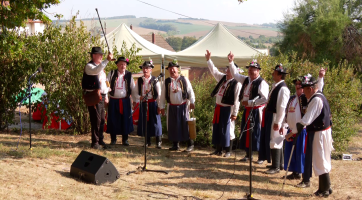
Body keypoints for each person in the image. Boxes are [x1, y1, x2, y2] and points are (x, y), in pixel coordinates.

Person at [283, 69, 325, 180]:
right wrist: (283, 123)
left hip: (301, 129)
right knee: (291, 153)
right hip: (291, 128)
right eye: (296, 84)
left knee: (301, 153)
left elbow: (319, 90)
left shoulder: (307, 99)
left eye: (300, 85)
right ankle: (294, 172)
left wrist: (320, 78)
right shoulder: (292, 98)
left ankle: (303, 175)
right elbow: (286, 112)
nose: (298, 86)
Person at [227, 53, 269, 163]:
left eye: (253, 69)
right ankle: (248, 154)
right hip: (248, 110)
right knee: (247, 132)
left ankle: (261, 157)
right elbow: (235, 74)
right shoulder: (246, 80)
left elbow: (265, 99)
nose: (250, 71)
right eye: (249, 69)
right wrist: (231, 62)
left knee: (257, 132)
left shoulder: (262, 83)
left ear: (258, 70)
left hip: (257, 110)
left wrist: (249, 102)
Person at [295, 75, 333, 197]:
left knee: (320, 159)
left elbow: (307, 119)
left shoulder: (316, 99)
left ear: (310, 88)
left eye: (304, 89)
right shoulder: (318, 96)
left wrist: (294, 131)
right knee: (320, 159)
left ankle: (325, 189)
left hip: (320, 133)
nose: (303, 92)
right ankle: (325, 187)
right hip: (321, 131)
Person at [205, 50, 242, 157]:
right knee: (217, 128)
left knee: (229, 129)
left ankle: (228, 150)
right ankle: (218, 150)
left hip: (228, 109)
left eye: (229, 69)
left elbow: (237, 100)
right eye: (227, 69)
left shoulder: (237, 83)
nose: (227, 70)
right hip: (219, 108)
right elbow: (214, 71)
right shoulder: (223, 78)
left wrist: (235, 113)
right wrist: (208, 60)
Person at [259, 64, 290, 174]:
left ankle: (276, 166)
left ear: (279, 75)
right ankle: (277, 164)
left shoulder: (283, 89)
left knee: (276, 139)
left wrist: (278, 122)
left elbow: (282, 107)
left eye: (275, 72)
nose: (273, 74)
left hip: (277, 116)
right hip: (273, 116)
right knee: (274, 139)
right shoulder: (277, 86)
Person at [159, 59, 195, 152]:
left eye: (173, 69)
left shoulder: (184, 79)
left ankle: (190, 145)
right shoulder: (167, 82)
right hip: (171, 107)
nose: (172, 71)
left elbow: (190, 92)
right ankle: (175, 145)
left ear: (177, 69)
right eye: (170, 69)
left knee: (185, 125)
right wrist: (161, 107)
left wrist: (192, 102)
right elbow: (162, 96)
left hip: (183, 106)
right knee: (173, 125)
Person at [82, 47, 113, 149]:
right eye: (100, 55)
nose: (101, 57)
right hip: (94, 96)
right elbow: (96, 70)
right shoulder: (89, 66)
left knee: (102, 120)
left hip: (102, 96)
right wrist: (107, 60)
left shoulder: (101, 68)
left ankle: (100, 140)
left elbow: (104, 82)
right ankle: (95, 142)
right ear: (93, 55)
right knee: (96, 120)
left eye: (102, 55)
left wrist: (106, 95)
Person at [132, 60, 162, 149]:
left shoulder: (155, 80)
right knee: (146, 122)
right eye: (144, 68)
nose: (145, 70)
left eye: (147, 68)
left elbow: (159, 94)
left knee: (156, 123)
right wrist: (139, 98)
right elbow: (135, 92)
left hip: (153, 103)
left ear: (151, 70)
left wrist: (160, 106)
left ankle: (158, 142)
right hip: (144, 104)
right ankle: (147, 141)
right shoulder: (140, 80)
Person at [106, 57, 135, 146]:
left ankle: (125, 140)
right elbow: (106, 84)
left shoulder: (129, 75)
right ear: (117, 65)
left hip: (125, 101)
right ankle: (113, 139)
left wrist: (134, 100)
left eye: (124, 64)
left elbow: (133, 88)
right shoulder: (111, 73)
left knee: (125, 120)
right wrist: (106, 97)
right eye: (121, 64)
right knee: (113, 119)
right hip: (113, 100)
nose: (123, 66)